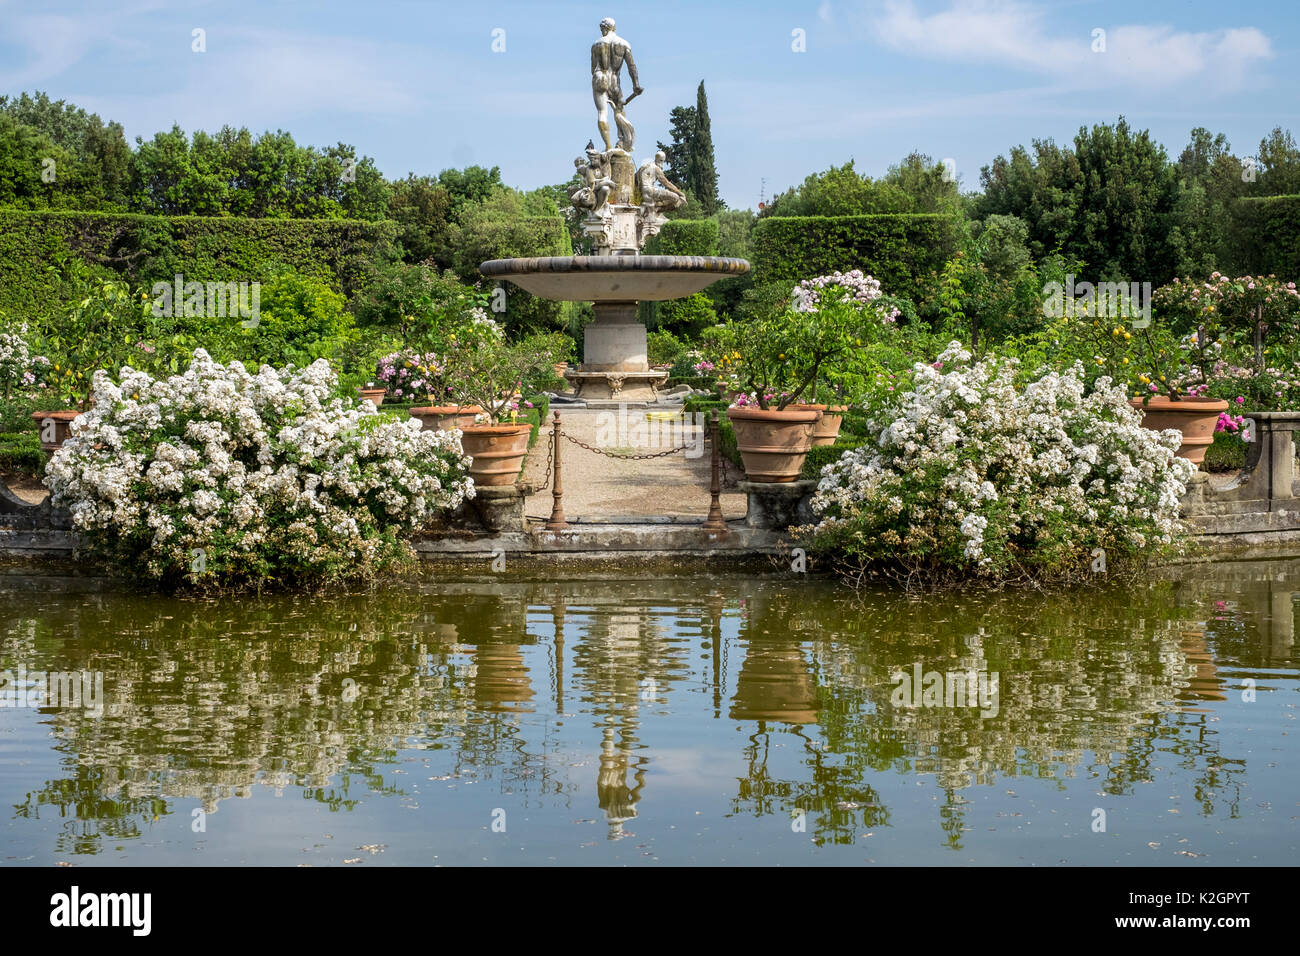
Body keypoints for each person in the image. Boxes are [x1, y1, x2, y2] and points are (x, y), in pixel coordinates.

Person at [591, 17, 642, 151]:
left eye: (602, 28)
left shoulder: (597, 44)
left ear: (605, 28)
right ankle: (622, 141)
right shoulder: (624, 44)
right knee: (619, 111)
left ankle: (608, 147)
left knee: (602, 112)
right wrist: (636, 85)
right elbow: (632, 66)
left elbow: (592, 69)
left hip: (600, 78)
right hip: (614, 81)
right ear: (614, 28)